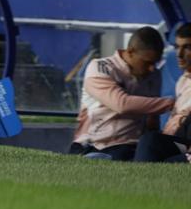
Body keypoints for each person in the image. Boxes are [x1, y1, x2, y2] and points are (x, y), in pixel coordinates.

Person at [69, 27, 173, 161]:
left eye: (155, 63)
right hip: (95, 145)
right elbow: (121, 104)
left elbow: (152, 118)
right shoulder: (100, 68)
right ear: (130, 51)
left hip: (132, 146)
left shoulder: (154, 75)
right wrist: (171, 103)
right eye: (147, 62)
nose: (152, 68)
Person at [134, 24, 191, 163]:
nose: (179, 54)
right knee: (149, 141)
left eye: (187, 47)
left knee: (152, 142)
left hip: (186, 144)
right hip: (177, 140)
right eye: (177, 47)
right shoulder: (183, 81)